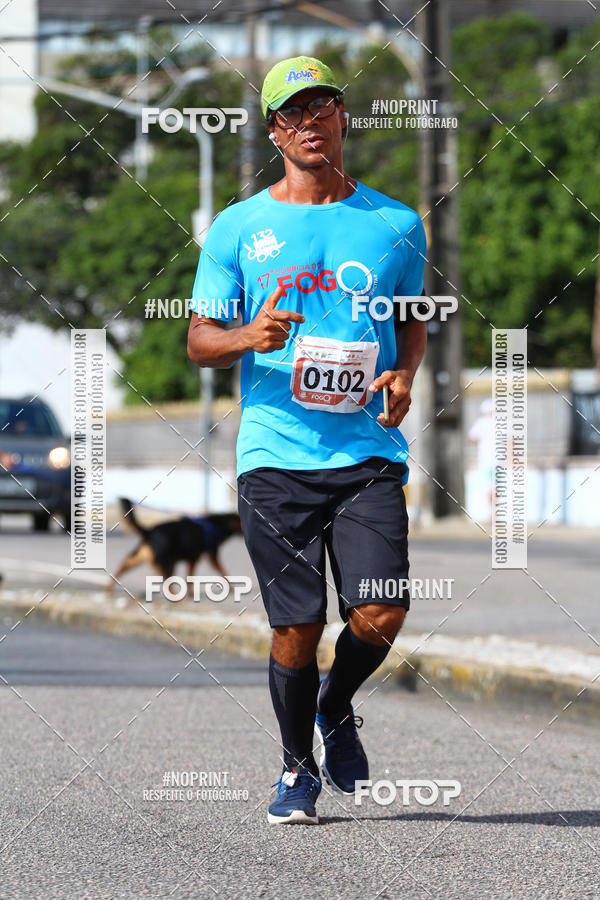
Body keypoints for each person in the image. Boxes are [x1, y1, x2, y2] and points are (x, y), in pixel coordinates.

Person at [187, 55, 428, 825]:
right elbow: (197, 341)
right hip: (274, 453)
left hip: (365, 454)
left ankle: (336, 703)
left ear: (343, 115)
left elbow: (411, 318)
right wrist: (247, 334)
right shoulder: (238, 227)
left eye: (321, 106)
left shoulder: (397, 222)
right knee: (297, 625)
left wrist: (404, 376)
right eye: (292, 114)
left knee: (382, 609)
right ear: (273, 131)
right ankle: (297, 771)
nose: (309, 123)